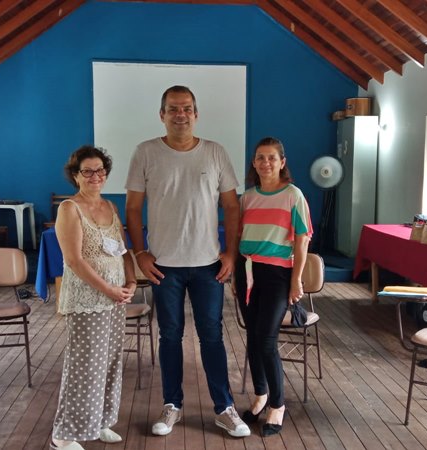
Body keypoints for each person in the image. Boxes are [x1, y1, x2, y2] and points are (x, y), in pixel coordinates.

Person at [125, 85, 250, 438]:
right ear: (161, 114)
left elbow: (231, 206)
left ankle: (224, 408)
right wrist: (140, 253)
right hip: (164, 266)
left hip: (208, 264)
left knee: (212, 336)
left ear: (196, 114)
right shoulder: (145, 152)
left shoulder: (215, 152)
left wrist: (230, 252)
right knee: (169, 336)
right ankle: (172, 405)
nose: (180, 114)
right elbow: (132, 208)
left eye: (186, 108)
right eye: (173, 108)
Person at [51, 145, 137, 449]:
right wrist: (108, 289)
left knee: (110, 362)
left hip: (115, 299)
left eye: (100, 170)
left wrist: (131, 280)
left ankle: (100, 421)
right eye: (87, 171)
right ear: (76, 175)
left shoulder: (110, 206)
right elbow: (74, 260)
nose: (95, 176)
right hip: (87, 300)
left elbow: (122, 250)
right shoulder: (69, 209)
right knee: (84, 365)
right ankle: (64, 436)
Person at [233, 137, 313, 437]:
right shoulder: (247, 197)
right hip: (247, 270)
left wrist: (296, 280)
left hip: (278, 274)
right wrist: (235, 277)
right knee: (253, 338)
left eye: (271, 158)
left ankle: (278, 404)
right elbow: (239, 236)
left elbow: (302, 241)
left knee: (266, 339)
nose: (265, 162)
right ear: (254, 163)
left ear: (282, 162)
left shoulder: (293, 195)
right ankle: (261, 395)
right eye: (260, 158)